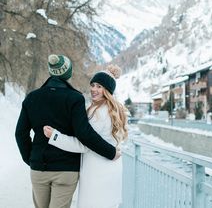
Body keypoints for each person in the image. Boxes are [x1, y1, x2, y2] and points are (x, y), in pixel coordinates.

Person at [15, 54, 120, 208]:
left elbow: (20, 133)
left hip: (39, 167)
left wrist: (31, 159)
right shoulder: (75, 98)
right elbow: (84, 134)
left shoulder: (32, 97)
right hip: (66, 169)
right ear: (67, 73)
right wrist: (110, 152)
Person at [43, 64, 128, 208]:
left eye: (99, 86)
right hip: (108, 171)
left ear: (107, 90)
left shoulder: (100, 113)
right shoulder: (110, 109)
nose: (94, 89)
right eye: (93, 85)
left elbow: (85, 144)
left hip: (97, 172)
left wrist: (55, 136)